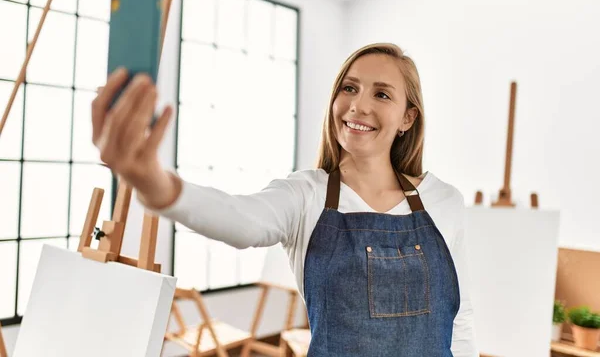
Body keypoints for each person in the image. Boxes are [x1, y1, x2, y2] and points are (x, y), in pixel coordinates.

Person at [92, 43, 478, 356]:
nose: (359, 105)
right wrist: (157, 184)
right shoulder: (306, 194)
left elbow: (458, 320)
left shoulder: (443, 201)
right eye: (349, 88)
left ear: (407, 118)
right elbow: (241, 218)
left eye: (381, 94)